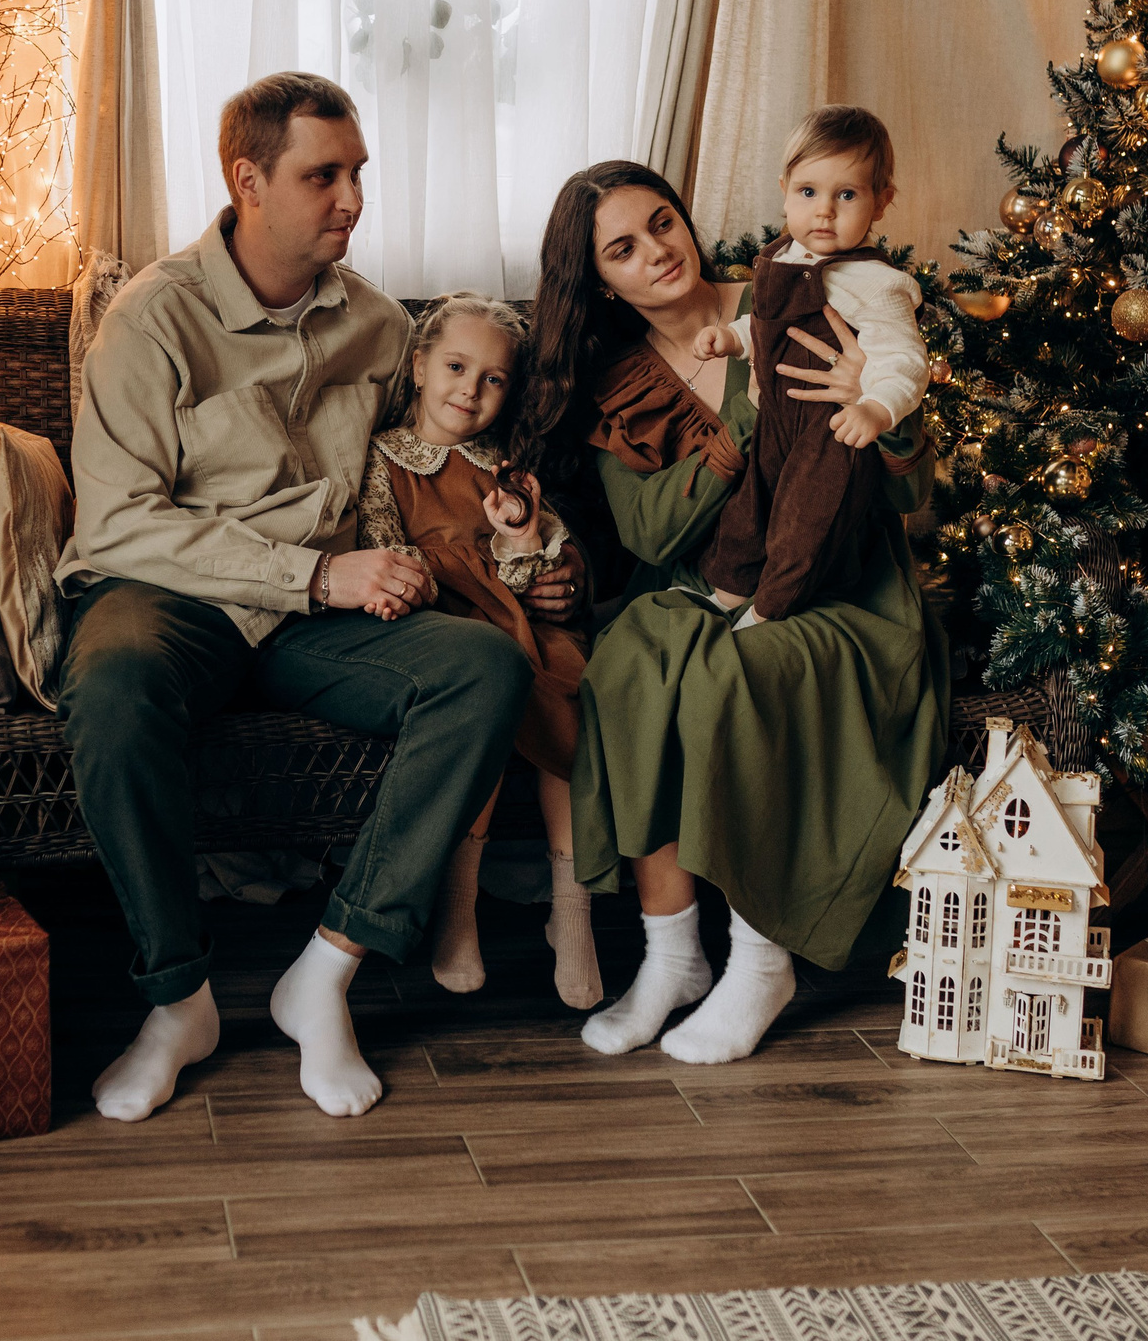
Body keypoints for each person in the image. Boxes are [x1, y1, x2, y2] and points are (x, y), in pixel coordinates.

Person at [55, 71, 576, 1123]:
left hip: (322, 619)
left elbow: (436, 460)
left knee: (484, 668)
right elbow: (115, 525)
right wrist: (315, 574)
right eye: (322, 175)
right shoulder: (151, 319)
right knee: (109, 687)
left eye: (358, 173)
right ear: (246, 180)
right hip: (174, 598)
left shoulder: (380, 325)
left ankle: (326, 970)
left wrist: (528, 548)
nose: (352, 198)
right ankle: (178, 1001)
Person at [515, 159, 948, 1066]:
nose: (656, 251)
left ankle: (760, 960)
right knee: (629, 659)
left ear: (685, 219)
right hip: (697, 583)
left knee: (737, 670)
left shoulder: (795, 294)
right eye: (622, 249)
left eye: (661, 222)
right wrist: (750, 417)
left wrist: (877, 405)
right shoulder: (617, 380)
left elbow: (911, 493)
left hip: (841, 587)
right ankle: (673, 955)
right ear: (601, 281)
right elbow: (650, 529)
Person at [352, 293, 600, 1008]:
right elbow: (386, 552)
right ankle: (458, 909)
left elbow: (542, 562)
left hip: (526, 624)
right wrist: (443, 580)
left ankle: (573, 912)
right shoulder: (385, 458)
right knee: (478, 703)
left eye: (493, 378)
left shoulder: (508, 471)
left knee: (567, 686)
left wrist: (522, 547)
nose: (471, 390)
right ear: (420, 366)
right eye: (457, 368)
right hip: (447, 625)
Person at [691, 107, 930, 623]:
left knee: (805, 522)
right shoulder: (782, 257)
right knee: (750, 508)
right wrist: (732, 338)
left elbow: (905, 359)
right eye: (808, 192)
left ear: (881, 202)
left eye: (846, 195)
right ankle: (728, 593)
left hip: (833, 432)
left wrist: (876, 409)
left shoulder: (877, 284)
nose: (824, 211)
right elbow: (769, 324)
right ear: (784, 192)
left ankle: (770, 609)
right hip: (777, 418)